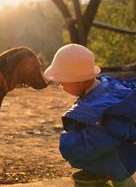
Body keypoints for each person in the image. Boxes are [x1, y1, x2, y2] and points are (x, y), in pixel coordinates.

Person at [44, 44, 136, 187]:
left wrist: (67, 144)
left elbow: (95, 142)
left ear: (77, 81)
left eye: (62, 82)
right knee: (121, 178)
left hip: (118, 160)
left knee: (98, 176)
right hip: (122, 155)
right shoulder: (106, 85)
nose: (61, 86)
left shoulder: (99, 112)